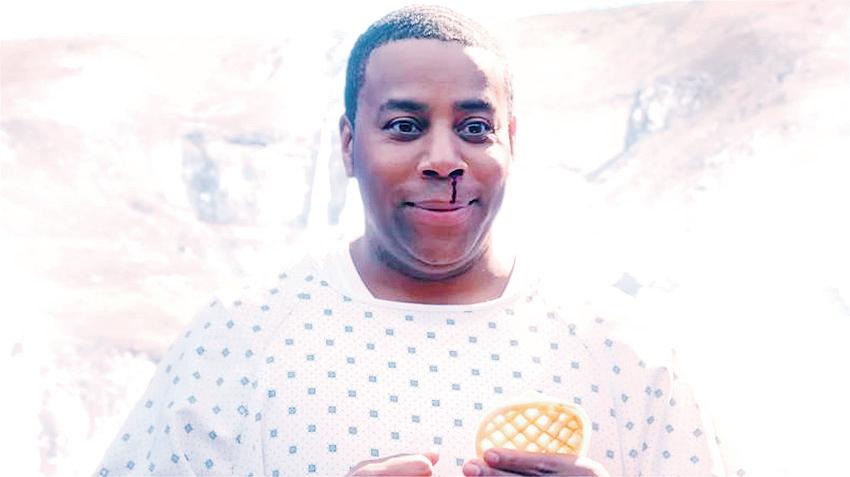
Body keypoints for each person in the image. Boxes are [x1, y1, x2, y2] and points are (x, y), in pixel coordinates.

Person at [96, 6, 725, 476]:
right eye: (403, 126)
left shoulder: (625, 353)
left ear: (512, 141)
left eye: (475, 128)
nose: (443, 159)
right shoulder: (235, 342)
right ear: (349, 145)